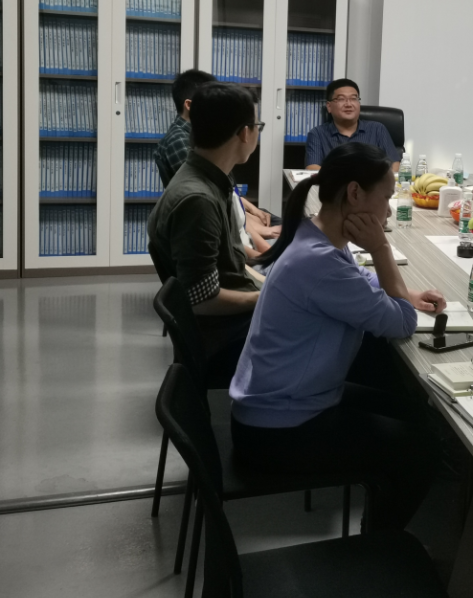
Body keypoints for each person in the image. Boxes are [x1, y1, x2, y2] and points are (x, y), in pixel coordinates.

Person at [229, 142, 445, 529]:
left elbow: (358, 281)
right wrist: (380, 248)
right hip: (278, 431)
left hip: (281, 405)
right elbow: (402, 323)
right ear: (355, 193)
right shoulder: (319, 262)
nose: (388, 211)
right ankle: (378, 546)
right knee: (422, 448)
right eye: (386, 197)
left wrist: (408, 293)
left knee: (418, 413)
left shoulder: (316, 235)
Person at [147, 82, 263, 386]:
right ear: (244, 133)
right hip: (226, 337)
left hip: (232, 323)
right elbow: (201, 299)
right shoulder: (198, 200)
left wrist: (271, 284)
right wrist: (266, 297)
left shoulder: (209, 179)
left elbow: (232, 265)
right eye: (258, 126)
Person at [154, 68, 278, 253]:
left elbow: (230, 200)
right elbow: (226, 244)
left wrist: (250, 213)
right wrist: (266, 255)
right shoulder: (198, 191)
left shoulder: (209, 161)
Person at [305, 78, 400, 172]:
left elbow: (394, 164)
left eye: (354, 98)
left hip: (372, 181)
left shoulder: (377, 129)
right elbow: (312, 168)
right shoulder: (317, 134)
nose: (349, 104)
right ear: (329, 106)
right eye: (341, 99)